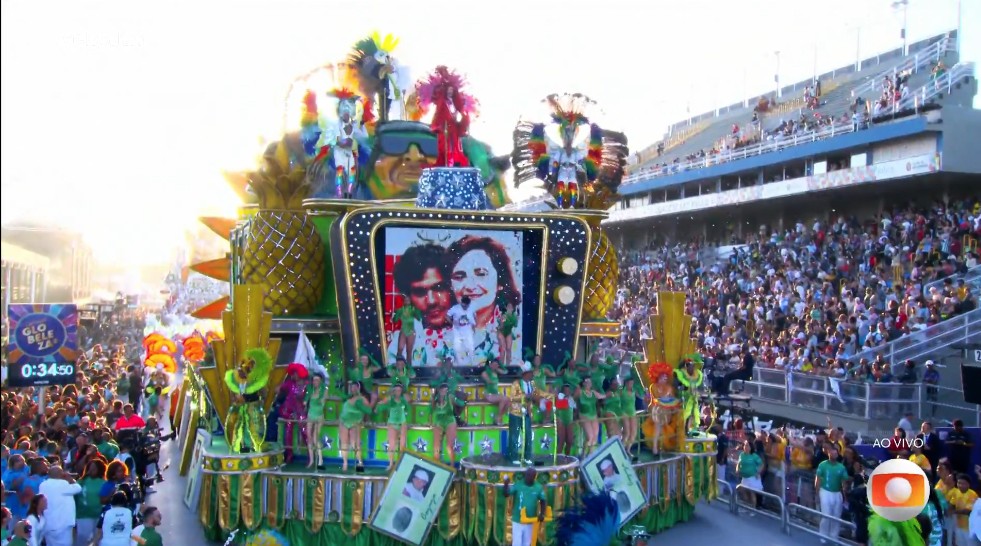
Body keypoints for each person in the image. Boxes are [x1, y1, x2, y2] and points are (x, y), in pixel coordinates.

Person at [447, 235, 522, 361]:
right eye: (459, 277)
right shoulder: (435, 339)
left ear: (500, 283)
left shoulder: (516, 333)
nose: (470, 286)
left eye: (481, 274)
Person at [391, 243, 452, 366]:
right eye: (420, 291)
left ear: (452, 288)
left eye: (439, 287)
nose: (431, 301)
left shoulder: (474, 334)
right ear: (408, 296)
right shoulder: (397, 345)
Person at [507, 363, 551, 464]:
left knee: (528, 435)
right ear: (525, 374)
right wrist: (525, 396)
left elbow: (538, 393)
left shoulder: (532, 384)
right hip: (516, 413)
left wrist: (550, 395)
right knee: (514, 436)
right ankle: (513, 457)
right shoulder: (516, 384)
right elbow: (512, 397)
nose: (532, 375)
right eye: (531, 373)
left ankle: (527, 457)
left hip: (527, 413)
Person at [37, 466, 81, 546]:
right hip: (63, 524)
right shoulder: (63, 484)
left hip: (48, 523)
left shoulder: (43, 485)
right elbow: (78, 488)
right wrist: (70, 479)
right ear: (61, 474)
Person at [503, 468, 547, 546]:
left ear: (534, 476)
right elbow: (506, 494)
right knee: (517, 543)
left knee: (526, 543)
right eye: (527, 475)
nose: (528, 477)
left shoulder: (538, 487)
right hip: (517, 520)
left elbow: (543, 501)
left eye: (531, 475)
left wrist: (542, 513)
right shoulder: (518, 485)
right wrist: (506, 484)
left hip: (530, 520)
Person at [815, 444, 849, 542]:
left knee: (836, 516)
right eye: (831, 452)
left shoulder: (841, 467)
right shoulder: (822, 465)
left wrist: (845, 496)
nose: (833, 454)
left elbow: (844, 482)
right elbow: (818, 479)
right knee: (826, 515)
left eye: (835, 453)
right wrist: (817, 493)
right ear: (828, 453)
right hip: (825, 491)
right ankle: (823, 536)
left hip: (837, 493)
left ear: (837, 454)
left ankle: (834, 537)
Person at [338, 381, 373, 472]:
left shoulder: (362, 399)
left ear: (359, 388)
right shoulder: (348, 398)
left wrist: (362, 409)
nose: (353, 389)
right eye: (351, 387)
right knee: (344, 443)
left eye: (355, 387)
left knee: (355, 444)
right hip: (344, 422)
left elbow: (368, 411)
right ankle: (345, 463)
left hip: (355, 423)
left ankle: (360, 462)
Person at [377, 383, 410, 469]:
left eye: (399, 390)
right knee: (392, 445)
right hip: (392, 423)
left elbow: (407, 409)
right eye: (396, 390)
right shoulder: (389, 399)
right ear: (393, 391)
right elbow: (380, 405)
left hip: (402, 423)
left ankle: (401, 464)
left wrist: (405, 414)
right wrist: (379, 407)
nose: (398, 392)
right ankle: (391, 464)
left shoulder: (403, 400)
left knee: (402, 446)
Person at [431, 383, 460, 466]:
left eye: (446, 390)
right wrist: (430, 422)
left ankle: (452, 465)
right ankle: (436, 466)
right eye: (442, 390)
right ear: (439, 391)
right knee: (436, 447)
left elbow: (459, 404)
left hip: (449, 421)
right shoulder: (434, 400)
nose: (444, 392)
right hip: (438, 422)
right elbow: (431, 411)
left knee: (449, 446)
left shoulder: (450, 398)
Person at [576, 377, 605, 455]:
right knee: (590, 437)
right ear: (583, 383)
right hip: (584, 415)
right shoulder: (580, 392)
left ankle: (591, 454)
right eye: (587, 382)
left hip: (593, 415)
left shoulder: (593, 392)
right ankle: (584, 454)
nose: (589, 383)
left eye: (590, 382)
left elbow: (601, 396)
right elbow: (573, 398)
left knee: (595, 437)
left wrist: (609, 394)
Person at [304, 372, 327, 470]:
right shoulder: (310, 390)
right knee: (308, 436)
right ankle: (311, 460)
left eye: (317, 380)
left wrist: (320, 399)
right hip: (310, 415)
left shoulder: (324, 390)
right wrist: (305, 401)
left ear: (321, 381)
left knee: (315, 438)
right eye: (314, 380)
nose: (315, 382)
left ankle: (320, 460)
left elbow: (322, 403)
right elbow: (305, 401)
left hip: (319, 416)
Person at [446, 296, 477, 365]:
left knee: (471, 348)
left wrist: (474, 328)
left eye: (466, 305)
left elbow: (474, 318)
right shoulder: (455, 308)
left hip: (468, 331)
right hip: (457, 331)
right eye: (464, 305)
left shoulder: (471, 309)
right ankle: (459, 365)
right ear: (461, 303)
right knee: (457, 348)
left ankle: (472, 364)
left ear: (469, 304)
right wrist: (452, 323)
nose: (465, 307)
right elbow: (447, 316)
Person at [949, 473, 979, 546]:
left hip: (969, 528)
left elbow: (968, 511)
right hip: (959, 526)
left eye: (963, 483)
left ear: (968, 484)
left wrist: (953, 512)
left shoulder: (972, 494)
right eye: (959, 483)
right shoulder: (956, 492)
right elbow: (952, 504)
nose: (960, 485)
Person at [736, 439, 764, 510]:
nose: (745, 447)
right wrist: (737, 469)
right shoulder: (742, 455)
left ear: (751, 447)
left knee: (752, 493)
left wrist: (758, 472)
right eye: (744, 445)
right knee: (742, 490)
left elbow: (761, 464)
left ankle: (753, 509)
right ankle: (747, 506)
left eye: (747, 445)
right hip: (744, 477)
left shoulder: (754, 456)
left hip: (752, 477)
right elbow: (739, 463)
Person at [481, 359, 509, 425]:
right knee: (504, 399)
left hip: (495, 394)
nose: (495, 366)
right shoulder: (485, 373)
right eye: (493, 364)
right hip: (489, 394)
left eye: (496, 365)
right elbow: (489, 381)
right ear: (490, 365)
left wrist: (501, 365)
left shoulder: (496, 372)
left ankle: (499, 417)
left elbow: (505, 371)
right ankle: (498, 418)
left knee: (508, 401)